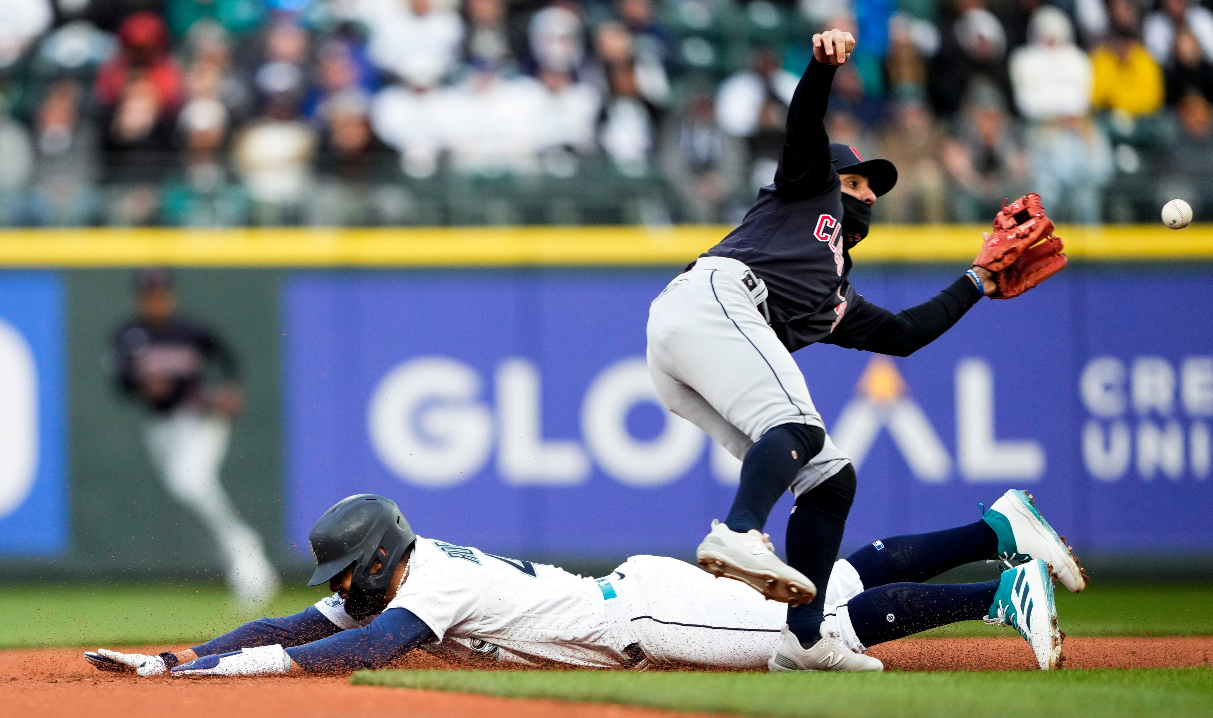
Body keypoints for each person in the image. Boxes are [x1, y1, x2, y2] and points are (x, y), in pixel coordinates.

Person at [643, 28, 1068, 673]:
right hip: (714, 297)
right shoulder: (809, 187)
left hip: (688, 349)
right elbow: (804, 119)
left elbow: (902, 335)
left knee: (829, 477)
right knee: (795, 427)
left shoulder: (834, 293)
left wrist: (976, 283)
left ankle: (804, 641)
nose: (869, 193)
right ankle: (735, 532)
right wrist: (820, 67)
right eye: (861, 181)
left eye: (875, 188)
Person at [84, 488, 1081, 677]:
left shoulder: (424, 586)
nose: (344, 587)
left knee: (810, 632)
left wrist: (233, 678)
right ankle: (991, 527)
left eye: (352, 572)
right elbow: (291, 620)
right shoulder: (396, 577)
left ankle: (997, 586)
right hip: (630, 594)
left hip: (647, 612)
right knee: (837, 577)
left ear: (383, 554)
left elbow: (357, 652)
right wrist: (190, 658)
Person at [110, 267, 279, 606]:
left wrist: (230, 390)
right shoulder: (129, 335)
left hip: (201, 418)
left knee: (189, 483)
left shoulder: (191, 329)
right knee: (189, 487)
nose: (155, 301)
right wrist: (143, 386)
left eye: (160, 295)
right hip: (161, 426)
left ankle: (248, 558)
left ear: (171, 296)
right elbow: (120, 381)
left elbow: (229, 360)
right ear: (139, 299)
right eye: (148, 296)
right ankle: (242, 557)